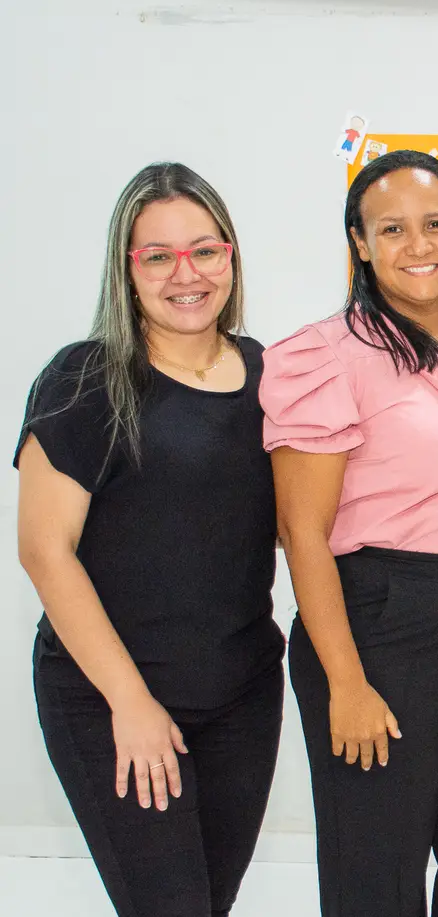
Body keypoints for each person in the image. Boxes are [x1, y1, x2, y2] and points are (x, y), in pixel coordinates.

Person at [261, 149, 438, 916]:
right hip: (377, 625)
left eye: (436, 224)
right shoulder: (324, 355)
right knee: (377, 880)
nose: (419, 245)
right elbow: (301, 532)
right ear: (359, 242)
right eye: (392, 228)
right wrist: (346, 683)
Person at [16, 163, 284, 917]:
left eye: (205, 250)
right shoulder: (85, 379)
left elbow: (287, 523)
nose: (185, 274)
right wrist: (130, 702)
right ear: (126, 270)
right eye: (158, 256)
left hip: (242, 696)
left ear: (231, 255)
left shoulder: (270, 374)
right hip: (110, 698)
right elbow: (44, 551)